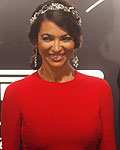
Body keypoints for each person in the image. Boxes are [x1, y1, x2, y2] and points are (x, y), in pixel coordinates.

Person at [1, 0, 116, 149]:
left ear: (75, 42)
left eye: (65, 38)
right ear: (35, 41)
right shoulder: (16, 93)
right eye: (47, 38)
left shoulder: (100, 89)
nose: (56, 48)